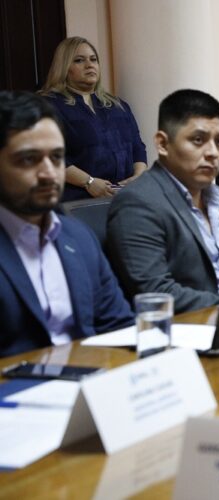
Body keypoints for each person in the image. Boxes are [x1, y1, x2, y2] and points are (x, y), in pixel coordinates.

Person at [0, 91, 133, 356]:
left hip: (91, 372)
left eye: (57, 157)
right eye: (29, 159)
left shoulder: (78, 235)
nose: (49, 173)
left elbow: (118, 326)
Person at [107, 89, 219, 314]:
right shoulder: (137, 203)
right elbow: (155, 292)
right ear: (163, 144)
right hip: (190, 325)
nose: (213, 153)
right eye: (198, 140)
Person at [40, 36, 147, 201]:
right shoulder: (47, 106)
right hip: (77, 201)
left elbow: (137, 147)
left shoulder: (118, 105)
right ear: (64, 67)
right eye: (79, 60)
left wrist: (138, 177)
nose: (89, 65)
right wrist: (88, 182)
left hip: (125, 199)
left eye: (93, 59)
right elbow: (47, 155)